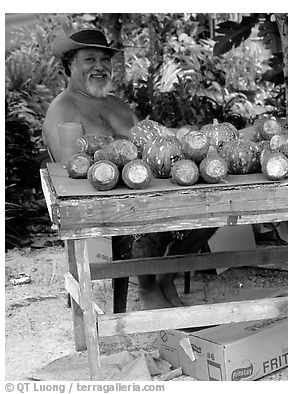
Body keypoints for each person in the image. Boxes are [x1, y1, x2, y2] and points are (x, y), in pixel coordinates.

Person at [43, 28, 216, 309]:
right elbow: (70, 174)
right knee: (147, 218)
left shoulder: (116, 104)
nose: (99, 66)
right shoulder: (62, 110)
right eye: (89, 60)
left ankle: (164, 275)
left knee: (213, 213)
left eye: (104, 59)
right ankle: (148, 288)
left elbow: (147, 137)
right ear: (69, 65)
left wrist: (181, 134)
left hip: (148, 190)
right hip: (110, 206)